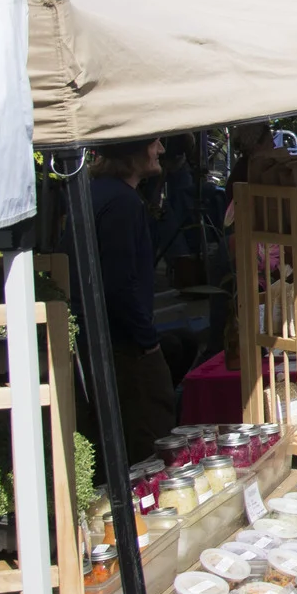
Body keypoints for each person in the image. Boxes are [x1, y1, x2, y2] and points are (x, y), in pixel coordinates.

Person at [88, 138, 176, 462]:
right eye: (154, 143)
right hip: (125, 346)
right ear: (133, 150)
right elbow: (118, 284)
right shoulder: (121, 202)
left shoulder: (101, 194)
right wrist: (147, 341)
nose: (161, 150)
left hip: (111, 342)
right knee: (150, 440)